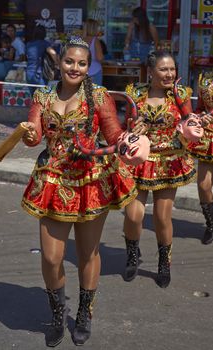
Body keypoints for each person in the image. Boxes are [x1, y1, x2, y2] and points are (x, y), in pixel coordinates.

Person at [20, 38, 141, 347]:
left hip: (89, 180)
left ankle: (85, 312)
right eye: (69, 62)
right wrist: (31, 133)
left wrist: (128, 140)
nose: (75, 67)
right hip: (52, 181)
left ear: (89, 67)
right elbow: (33, 136)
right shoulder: (43, 96)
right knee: (51, 257)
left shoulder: (98, 96)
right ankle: (58, 313)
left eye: (82, 63)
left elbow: (113, 133)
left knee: (88, 253)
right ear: (60, 63)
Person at [122, 50, 197, 288]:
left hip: (169, 162)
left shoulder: (180, 94)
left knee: (162, 217)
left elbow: (190, 123)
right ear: (151, 71)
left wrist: (191, 129)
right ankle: (132, 254)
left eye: (172, 69)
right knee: (134, 216)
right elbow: (127, 125)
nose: (169, 74)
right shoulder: (135, 93)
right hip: (139, 161)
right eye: (164, 69)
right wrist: (135, 129)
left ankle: (164, 262)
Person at [188, 72, 213, 244]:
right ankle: (211, 223)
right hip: (208, 137)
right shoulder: (204, 77)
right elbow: (200, 107)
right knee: (203, 185)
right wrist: (197, 116)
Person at [26, 25, 58, 95]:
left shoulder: (28, 44)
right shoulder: (44, 43)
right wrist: (57, 63)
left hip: (29, 74)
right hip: (39, 74)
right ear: (44, 33)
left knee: (34, 98)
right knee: (43, 98)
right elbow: (53, 53)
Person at [82, 18, 104, 85]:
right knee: (95, 94)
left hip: (82, 70)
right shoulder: (95, 40)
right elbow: (99, 58)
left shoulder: (79, 39)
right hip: (94, 70)